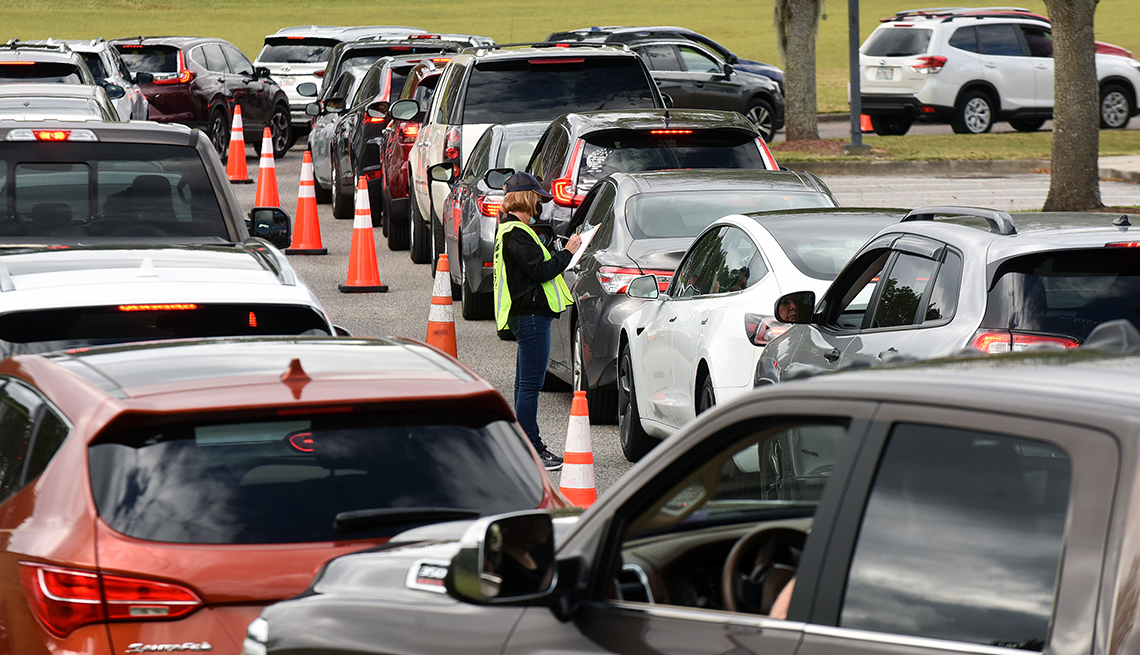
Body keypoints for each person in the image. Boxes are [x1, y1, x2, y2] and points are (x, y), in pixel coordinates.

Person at [493, 172, 582, 471]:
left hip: (526, 315)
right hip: (530, 316)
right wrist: (568, 252)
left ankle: (524, 446)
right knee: (530, 386)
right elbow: (541, 271)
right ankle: (533, 449)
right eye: (538, 199)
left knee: (524, 384)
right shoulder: (517, 232)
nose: (540, 205)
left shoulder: (512, 230)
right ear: (528, 198)